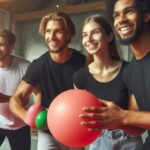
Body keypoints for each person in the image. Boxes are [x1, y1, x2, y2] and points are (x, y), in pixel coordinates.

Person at [79, 0, 150, 149]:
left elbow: (129, 116)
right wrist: (113, 120)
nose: (121, 19)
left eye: (129, 11)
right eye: (116, 15)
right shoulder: (131, 71)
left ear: (146, 15)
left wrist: (123, 116)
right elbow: (138, 128)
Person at [9, 11, 86, 150]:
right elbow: (15, 99)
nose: (51, 37)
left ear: (69, 34)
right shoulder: (38, 65)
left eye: (57, 31)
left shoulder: (83, 63)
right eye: (48, 31)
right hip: (47, 131)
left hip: (75, 129)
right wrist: (26, 116)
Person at [0, 29, 31, 150]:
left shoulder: (26, 67)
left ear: (12, 46)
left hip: (21, 125)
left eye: (1, 44)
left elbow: (27, 100)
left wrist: (7, 99)